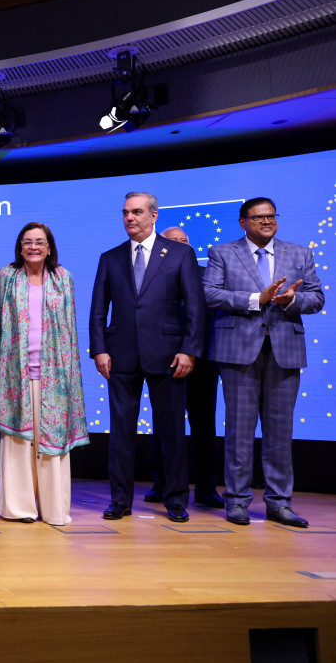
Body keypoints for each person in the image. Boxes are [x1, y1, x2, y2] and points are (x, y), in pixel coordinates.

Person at [203, 198, 324, 528]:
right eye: (258, 218)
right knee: (239, 430)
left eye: (271, 216)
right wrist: (259, 299)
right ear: (243, 222)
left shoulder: (299, 253)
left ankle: (279, 503)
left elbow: (317, 297)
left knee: (280, 433)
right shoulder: (222, 252)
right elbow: (210, 294)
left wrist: (292, 300)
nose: (266, 222)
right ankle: (238, 500)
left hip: (285, 350)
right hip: (238, 350)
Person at [89, 192, 205, 523]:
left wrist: (189, 349)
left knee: (171, 432)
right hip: (120, 355)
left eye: (137, 212)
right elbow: (99, 308)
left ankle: (176, 499)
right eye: (125, 212)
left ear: (153, 216)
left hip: (169, 355)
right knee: (121, 432)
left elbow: (194, 306)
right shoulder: (110, 258)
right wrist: (99, 348)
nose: (130, 218)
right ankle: (120, 500)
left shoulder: (180, 254)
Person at [0, 222, 89, 525]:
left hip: (54, 376)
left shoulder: (63, 278)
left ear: (49, 247)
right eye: (27, 241)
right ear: (19, 247)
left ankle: (54, 508)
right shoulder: (3, 277)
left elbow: (70, 330)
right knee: (17, 442)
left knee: (51, 439)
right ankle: (19, 508)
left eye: (39, 242)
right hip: (14, 374)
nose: (33, 247)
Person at [145, 227, 224, 509]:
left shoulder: (208, 277)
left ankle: (206, 488)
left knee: (204, 426)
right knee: (166, 425)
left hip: (202, 361)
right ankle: (162, 484)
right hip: (165, 362)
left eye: (184, 241)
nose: (180, 245)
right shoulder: (153, 276)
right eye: (173, 241)